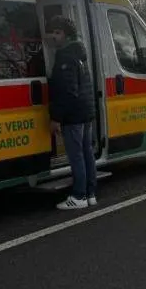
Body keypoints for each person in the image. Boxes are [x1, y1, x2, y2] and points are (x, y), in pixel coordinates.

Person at [45, 16, 98, 210]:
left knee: (76, 156)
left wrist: (56, 117)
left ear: (65, 35)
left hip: (74, 115)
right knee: (87, 154)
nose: (53, 37)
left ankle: (78, 196)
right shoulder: (78, 52)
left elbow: (67, 90)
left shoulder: (65, 56)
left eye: (57, 33)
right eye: (52, 33)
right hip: (85, 112)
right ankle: (90, 193)